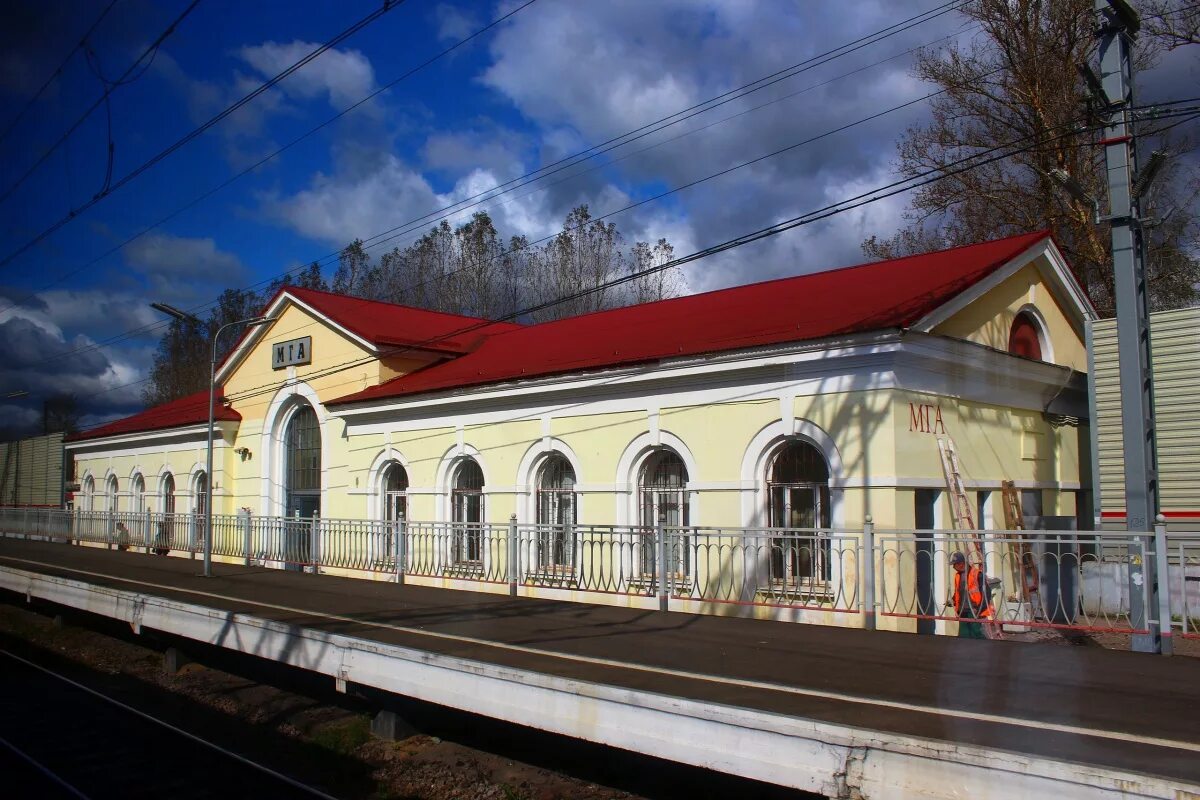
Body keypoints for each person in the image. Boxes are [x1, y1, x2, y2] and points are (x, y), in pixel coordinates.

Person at [950, 551, 992, 639]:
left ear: (961, 564)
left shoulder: (977, 574)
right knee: (963, 635)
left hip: (975, 611)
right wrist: (953, 601)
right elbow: (958, 592)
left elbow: (987, 593)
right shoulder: (958, 576)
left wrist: (980, 609)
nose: (954, 567)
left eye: (955, 564)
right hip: (962, 611)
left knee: (977, 634)